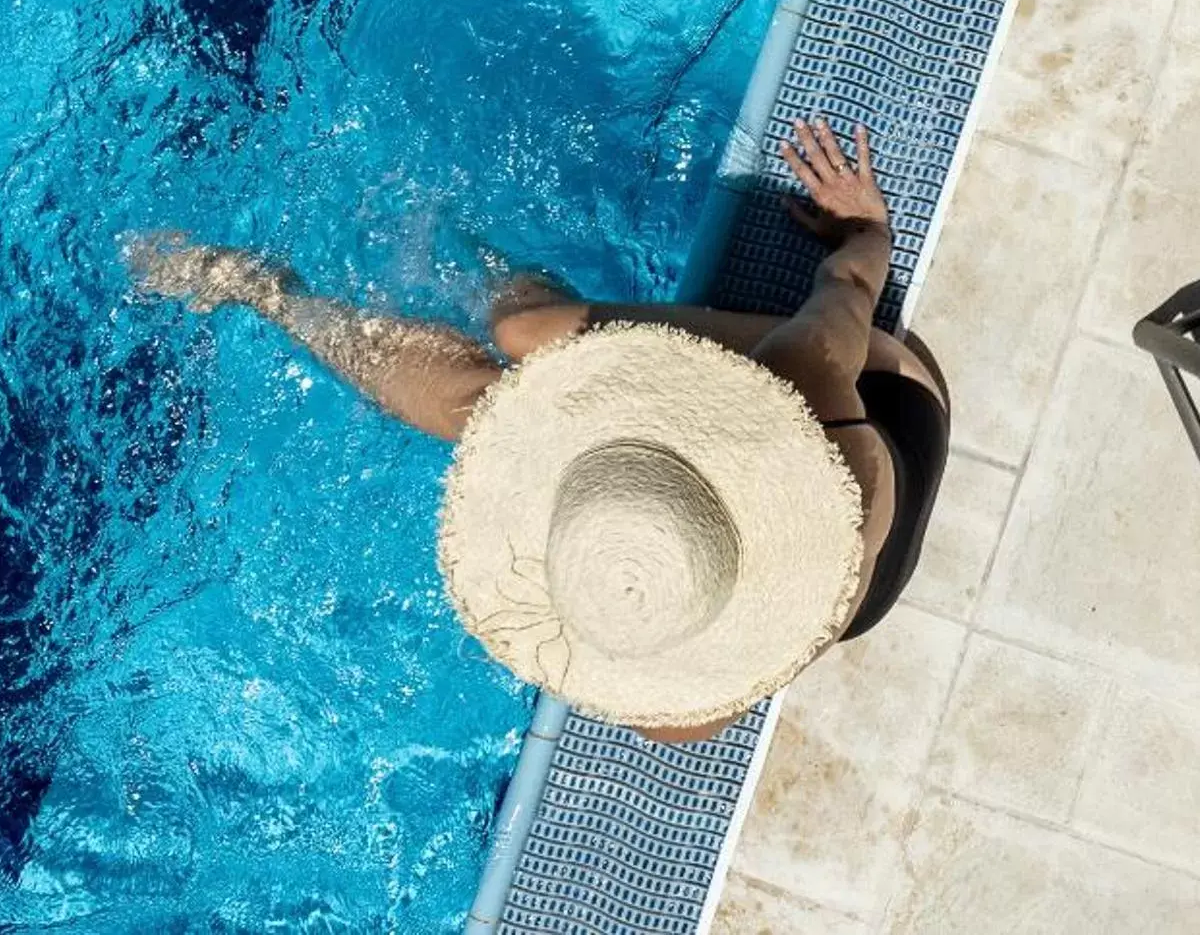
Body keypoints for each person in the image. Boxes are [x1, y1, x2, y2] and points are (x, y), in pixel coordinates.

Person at [126, 116, 946, 742]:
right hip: (863, 420)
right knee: (526, 341)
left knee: (517, 353)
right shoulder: (678, 680)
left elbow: (840, 303)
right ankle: (466, 253)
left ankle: (271, 293)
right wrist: (868, 230)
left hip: (865, 403)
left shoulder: (796, 398)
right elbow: (845, 280)